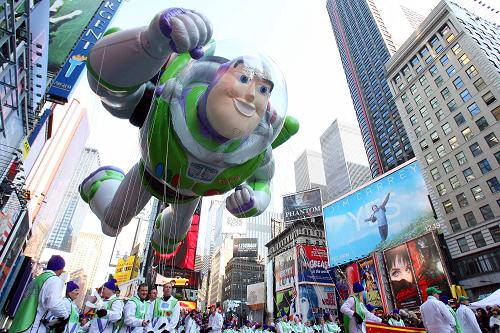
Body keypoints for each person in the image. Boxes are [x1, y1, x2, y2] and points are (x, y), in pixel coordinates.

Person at [9, 255, 70, 333]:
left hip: (18, 324)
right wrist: (65, 315)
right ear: (61, 269)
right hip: (30, 327)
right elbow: (54, 304)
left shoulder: (37, 279)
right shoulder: (54, 280)